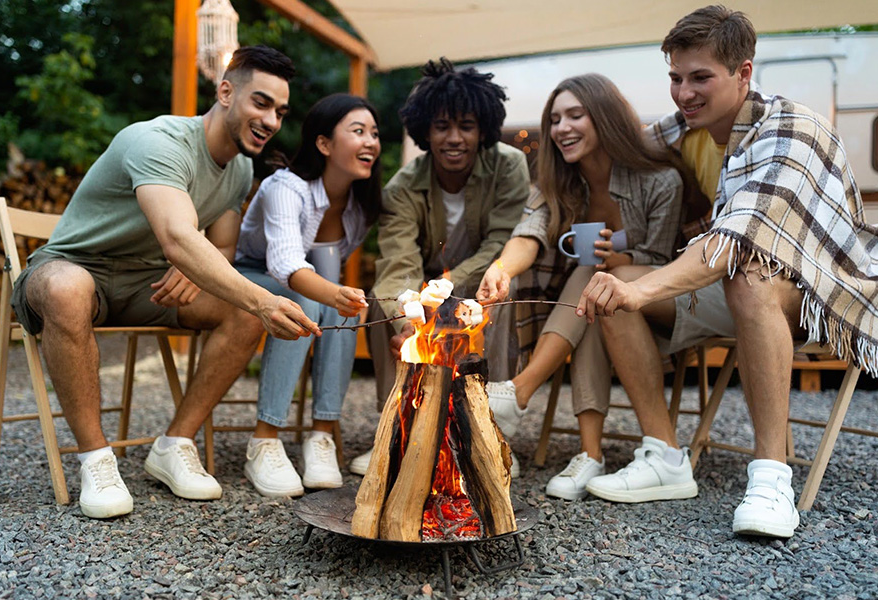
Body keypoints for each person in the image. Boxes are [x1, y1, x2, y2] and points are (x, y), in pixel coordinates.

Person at [577, 5, 878, 539]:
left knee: (745, 274)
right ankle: (665, 457)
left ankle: (771, 479)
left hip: (821, 289)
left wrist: (643, 289)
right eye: (675, 78)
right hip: (729, 280)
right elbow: (623, 150)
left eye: (700, 78)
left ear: (744, 73)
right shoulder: (684, 128)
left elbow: (735, 240)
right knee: (615, 280)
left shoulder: (792, 128)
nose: (684, 93)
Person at [9, 46, 321, 519]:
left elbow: (221, 247)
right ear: (225, 92)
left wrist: (201, 270)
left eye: (280, 111)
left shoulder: (239, 168)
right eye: (261, 103)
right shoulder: (158, 141)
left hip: (147, 285)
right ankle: (96, 460)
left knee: (242, 312)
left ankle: (175, 443)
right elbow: (177, 237)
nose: (271, 120)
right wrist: (258, 298)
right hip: (72, 265)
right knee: (66, 289)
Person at [476, 74, 684, 501]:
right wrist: (501, 268)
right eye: (554, 120)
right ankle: (590, 455)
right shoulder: (560, 182)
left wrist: (621, 262)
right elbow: (529, 231)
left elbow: (662, 263)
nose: (561, 128)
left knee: (595, 276)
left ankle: (521, 390)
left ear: (605, 117)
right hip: (599, 309)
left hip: (658, 306)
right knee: (596, 293)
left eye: (575, 115)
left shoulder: (661, 181)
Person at [349, 58, 530, 477]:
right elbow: (398, 262)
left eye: (466, 126)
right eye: (442, 126)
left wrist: (444, 299)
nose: (454, 138)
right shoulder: (402, 187)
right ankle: (398, 430)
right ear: (425, 131)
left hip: (479, 281)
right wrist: (409, 321)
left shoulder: (508, 166)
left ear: (483, 129)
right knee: (380, 299)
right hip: (423, 288)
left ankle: (490, 434)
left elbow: (500, 244)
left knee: (507, 285)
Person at [233, 93, 381, 497]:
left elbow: (327, 269)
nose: (370, 142)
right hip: (249, 275)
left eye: (374, 133)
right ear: (324, 143)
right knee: (304, 302)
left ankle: (321, 435)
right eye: (358, 131)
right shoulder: (286, 187)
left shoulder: (360, 205)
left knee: (348, 308)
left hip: (306, 280)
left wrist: (343, 299)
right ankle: (264, 439)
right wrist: (333, 293)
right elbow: (285, 263)